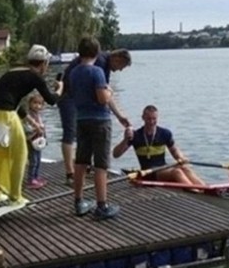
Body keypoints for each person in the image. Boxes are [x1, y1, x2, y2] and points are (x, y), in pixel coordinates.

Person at [0, 45, 59, 207]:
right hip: (6, 115)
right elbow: (51, 100)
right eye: (47, 64)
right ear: (44, 63)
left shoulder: (13, 72)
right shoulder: (35, 76)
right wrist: (60, 89)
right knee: (20, 155)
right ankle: (15, 197)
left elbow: (13, 100)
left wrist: (31, 122)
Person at [68, 36, 127, 220]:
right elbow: (102, 99)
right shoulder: (97, 71)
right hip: (99, 121)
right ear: (97, 52)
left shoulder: (74, 72)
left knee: (81, 161)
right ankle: (102, 205)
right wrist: (109, 91)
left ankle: (78, 201)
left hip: (81, 119)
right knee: (101, 164)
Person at [57, 46, 131, 184]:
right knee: (70, 133)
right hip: (68, 96)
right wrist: (117, 112)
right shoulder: (100, 63)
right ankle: (70, 173)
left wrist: (119, 116)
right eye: (121, 66)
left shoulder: (105, 65)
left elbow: (104, 93)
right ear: (117, 58)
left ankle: (84, 168)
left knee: (81, 135)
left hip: (79, 99)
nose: (120, 70)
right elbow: (104, 95)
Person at [112, 105, 206, 186]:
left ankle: (205, 188)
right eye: (149, 119)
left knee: (185, 168)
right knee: (176, 172)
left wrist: (182, 159)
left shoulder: (165, 133)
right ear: (143, 118)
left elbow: (175, 152)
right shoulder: (136, 136)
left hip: (163, 169)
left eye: (154, 119)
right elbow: (115, 154)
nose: (151, 122)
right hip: (148, 173)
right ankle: (195, 191)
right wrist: (125, 139)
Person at [22, 92, 47, 189]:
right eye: (35, 103)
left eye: (40, 104)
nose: (37, 106)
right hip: (31, 140)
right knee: (33, 160)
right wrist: (36, 129)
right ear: (30, 103)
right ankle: (31, 179)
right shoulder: (28, 116)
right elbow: (26, 128)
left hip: (38, 140)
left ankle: (36, 176)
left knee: (38, 159)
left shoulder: (38, 115)